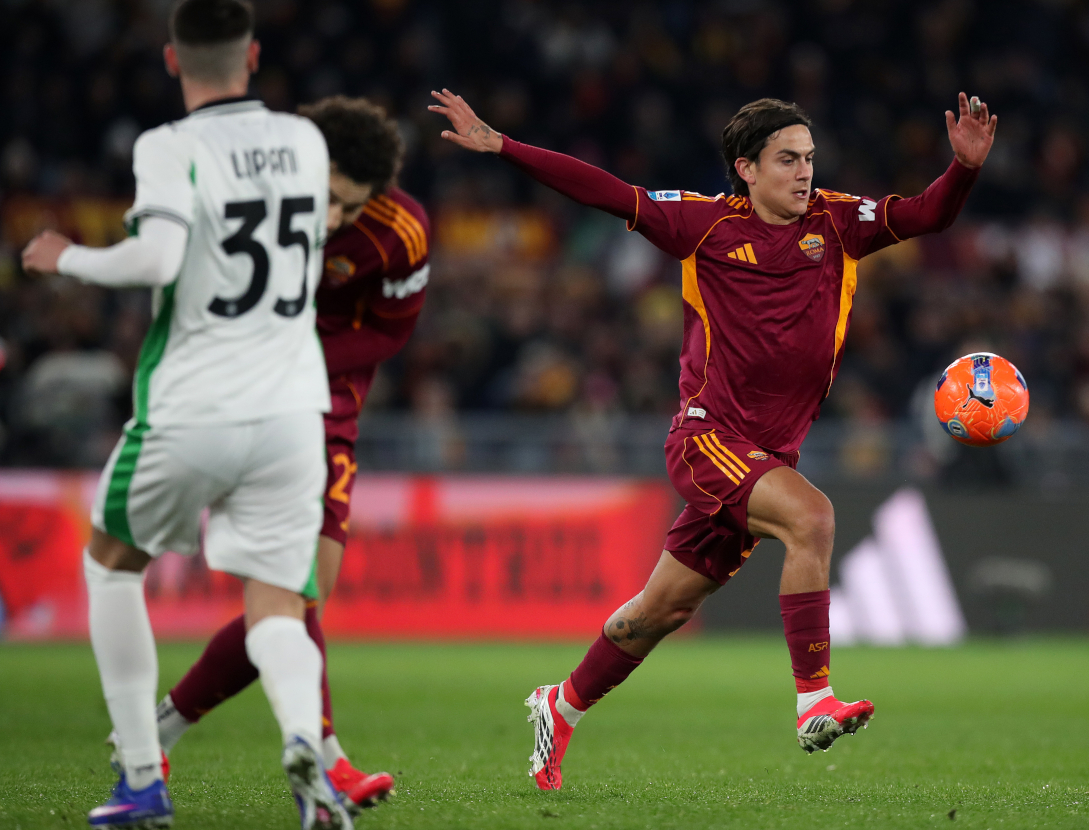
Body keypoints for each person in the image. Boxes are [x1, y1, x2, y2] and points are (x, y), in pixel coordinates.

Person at [430, 88, 995, 790]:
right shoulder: (703, 225)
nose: (804, 173)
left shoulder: (840, 223)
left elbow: (927, 213)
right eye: (787, 159)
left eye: (809, 159)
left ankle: (560, 705)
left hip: (765, 457)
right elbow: (606, 193)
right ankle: (814, 699)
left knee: (658, 612)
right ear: (746, 169)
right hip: (708, 440)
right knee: (812, 517)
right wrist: (504, 145)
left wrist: (962, 169)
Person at [21, 2, 352, 827]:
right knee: (277, 600)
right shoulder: (308, 143)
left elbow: (161, 257)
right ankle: (304, 744)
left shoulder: (170, 147)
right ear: (255, 56)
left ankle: (141, 778)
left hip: (195, 402)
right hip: (290, 409)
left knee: (109, 565)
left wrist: (71, 259)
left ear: (173, 61)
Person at [148, 94, 429, 811]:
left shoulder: (401, 232)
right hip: (241, 405)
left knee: (298, 602)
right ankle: (327, 763)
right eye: (327, 198)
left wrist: (297, 356)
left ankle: (156, 732)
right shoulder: (245, 194)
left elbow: (390, 332)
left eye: (351, 206)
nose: (333, 219)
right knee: (292, 597)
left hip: (327, 410)